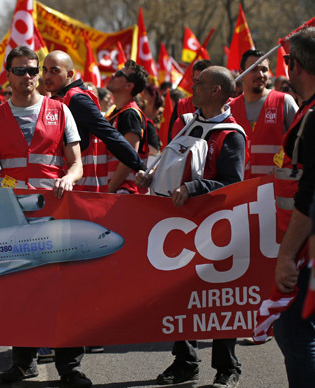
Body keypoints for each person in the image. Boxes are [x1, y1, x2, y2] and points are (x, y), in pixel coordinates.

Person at [0, 46, 88, 388]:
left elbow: (77, 163)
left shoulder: (61, 111)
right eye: (20, 71)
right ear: (8, 75)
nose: (28, 77)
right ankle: (23, 362)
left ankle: (70, 367)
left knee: (60, 288)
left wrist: (68, 177)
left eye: (33, 71)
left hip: (55, 209)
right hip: (12, 212)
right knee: (19, 288)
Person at [136, 66, 246, 388]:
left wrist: (194, 188)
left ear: (216, 91)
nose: (192, 87)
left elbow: (232, 183)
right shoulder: (188, 123)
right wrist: (151, 176)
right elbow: (171, 165)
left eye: (199, 83)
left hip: (218, 228)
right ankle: (185, 363)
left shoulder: (231, 135)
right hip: (181, 227)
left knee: (221, 299)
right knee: (181, 297)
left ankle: (228, 368)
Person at [272, 26, 315, 388]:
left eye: (287, 60)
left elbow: (309, 193)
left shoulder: (313, 117)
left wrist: (287, 255)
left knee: (294, 334)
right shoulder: (308, 111)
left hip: (306, 249)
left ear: (296, 66)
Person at [42, 50, 145, 193]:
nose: (47, 76)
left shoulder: (76, 100)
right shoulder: (57, 100)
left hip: (79, 191)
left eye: (54, 71)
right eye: (45, 70)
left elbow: (110, 135)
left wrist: (142, 168)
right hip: (62, 188)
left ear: (70, 74)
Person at [229, 49, 298, 179]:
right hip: (241, 192)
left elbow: (301, 144)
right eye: (254, 69)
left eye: (264, 70)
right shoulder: (230, 108)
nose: (260, 74)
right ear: (241, 72)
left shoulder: (284, 102)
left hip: (275, 189)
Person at [105, 59, 149, 194]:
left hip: (123, 192)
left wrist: (109, 190)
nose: (113, 75)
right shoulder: (113, 112)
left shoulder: (130, 114)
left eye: (119, 74)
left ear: (129, 85)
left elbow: (128, 157)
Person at [166, 60, 213, 142]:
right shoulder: (181, 105)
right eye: (196, 81)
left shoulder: (221, 107)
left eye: (203, 82)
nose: (198, 86)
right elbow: (171, 141)